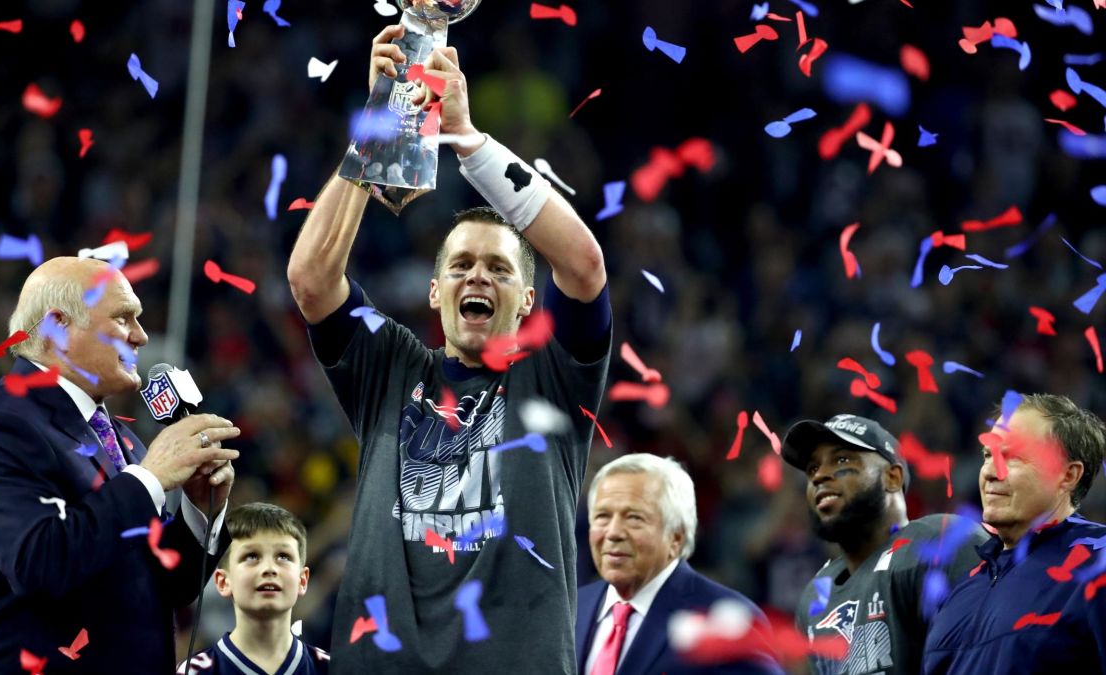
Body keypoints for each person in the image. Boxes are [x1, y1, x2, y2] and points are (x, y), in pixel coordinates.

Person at [287, 23, 611, 674]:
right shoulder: (390, 364)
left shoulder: (553, 376)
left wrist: (465, 138)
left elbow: (582, 264)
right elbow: (312, 278)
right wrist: (377, 124)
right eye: (460, 266)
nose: (477, 277)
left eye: (499, 268)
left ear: (527, 301)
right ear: (434, 293)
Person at [0, 257, 240, 673]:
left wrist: (198, 510)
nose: (141, 336)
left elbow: (160, 583)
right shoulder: (1, 426)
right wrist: (150, 478)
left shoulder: (119, 438)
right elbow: (39, 564)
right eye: (124, 318)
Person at [781, 414, 988, 675]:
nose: (819, 475)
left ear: (892, 477)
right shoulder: (815, 597)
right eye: (812, 468)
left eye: (841, 459)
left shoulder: (940, 543)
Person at [922, 394, 1106, 674]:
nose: (990, 473)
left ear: (1068, 476)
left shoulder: (1098, 562)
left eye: (1014, 458)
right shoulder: (960, 590)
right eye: (988, 455)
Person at [575, 454, 781, 675]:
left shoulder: (728, 621)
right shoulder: (571, 609)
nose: (613, 532)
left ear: (676, 536)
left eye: (634, 517)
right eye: (602, 517)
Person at [179, 503, 329, 675]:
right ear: (223, 582)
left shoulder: (335, 669)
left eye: (283, 556)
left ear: (302, 580)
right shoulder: (194, 672)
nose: (269, 568)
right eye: (251, 556)